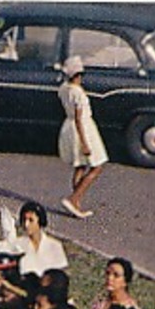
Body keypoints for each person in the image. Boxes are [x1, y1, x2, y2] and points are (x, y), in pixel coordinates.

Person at [57, 56, 106, 218]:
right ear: (77, 75)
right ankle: (73, 198)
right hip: (83, 128)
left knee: (80, 166)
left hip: (69, 126)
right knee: (97, 166)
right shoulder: (77, 92)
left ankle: (76, 204)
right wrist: (84, 142)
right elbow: (79, 118)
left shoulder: (63, 89)